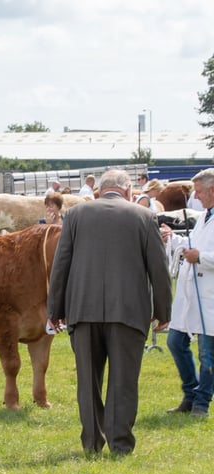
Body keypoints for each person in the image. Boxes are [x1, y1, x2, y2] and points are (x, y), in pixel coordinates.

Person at [47, 169, 171, 456]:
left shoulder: (76, 215)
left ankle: (92, 443)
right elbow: (160, 271)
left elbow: (60, 265)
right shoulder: (144, 217)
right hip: (128, 312)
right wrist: (163, 311)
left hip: (82, 311)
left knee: (87, 382)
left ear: (101, 190)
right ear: (128, 191)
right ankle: (120, 444)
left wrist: (55, 309)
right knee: (123, 381)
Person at [160, 168, 214, 417]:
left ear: (212, 190)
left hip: (209, 294)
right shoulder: (204, 216)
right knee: (175, 341)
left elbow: (200, 252)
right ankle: (190, 393)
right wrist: (174, 239)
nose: (197, 197)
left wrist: (200, 257)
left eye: (200, 192)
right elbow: (193, 244)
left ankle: (201, 403)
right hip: (192, 291)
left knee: (207, 352)